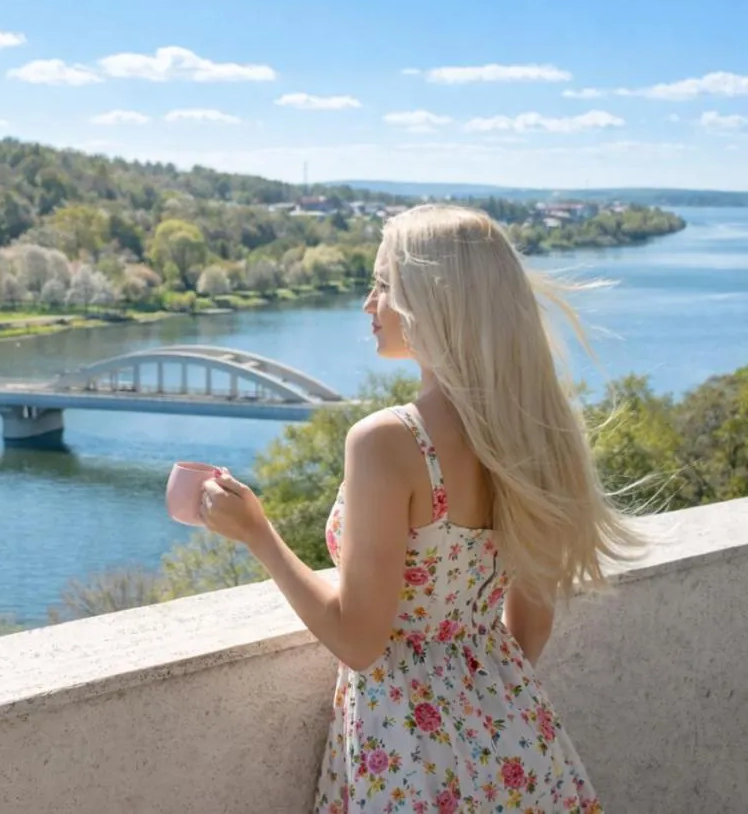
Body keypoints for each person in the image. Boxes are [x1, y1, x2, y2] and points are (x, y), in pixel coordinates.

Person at [199, 204, 642, 813]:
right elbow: (531, 626)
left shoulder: (389, 441)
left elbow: (358, 639)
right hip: (514, 739)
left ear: (432, 299)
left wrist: (257, 534)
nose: (367, 302)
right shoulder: (529, 435)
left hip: (406, 751)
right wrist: (471, 690)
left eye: (383, 284)